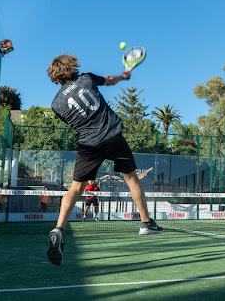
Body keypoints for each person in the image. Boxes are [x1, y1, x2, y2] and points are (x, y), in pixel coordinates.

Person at [46, 54, 162, 266]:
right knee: (132, 179)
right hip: (112, 136)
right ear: (72, 66)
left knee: (74, 189)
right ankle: (146, 223)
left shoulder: (56, 104)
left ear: (55, 76)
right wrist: (123, 75)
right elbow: (109, 79)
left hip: (88, 145)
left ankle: (59, 228)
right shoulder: (87, 78)